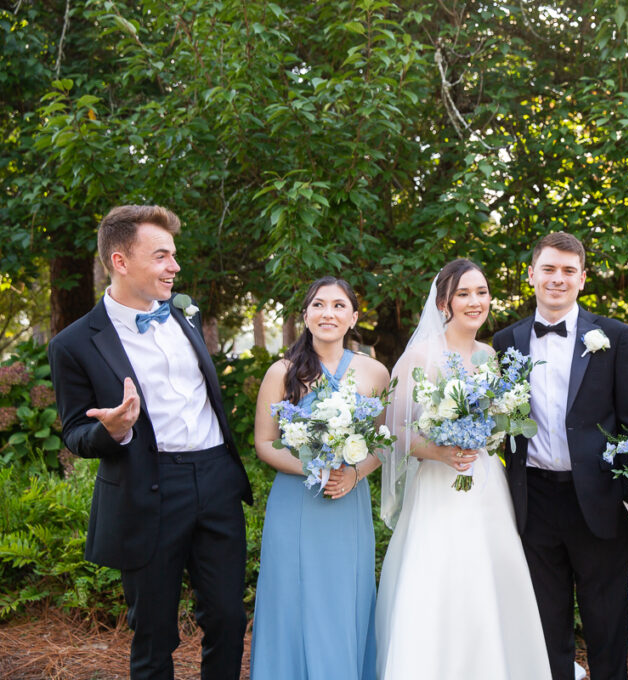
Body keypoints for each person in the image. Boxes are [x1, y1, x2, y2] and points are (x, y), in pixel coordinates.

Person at [47, 205, 252, 680]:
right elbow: (76, 432)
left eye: (174, 256)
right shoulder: (73, 344)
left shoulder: (186, 315)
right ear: (120, 262)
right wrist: (113, 430)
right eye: (161, 257)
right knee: (154, 633)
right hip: (148, 491)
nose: (174, 267)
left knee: (227, 617)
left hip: (217, 480)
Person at [375, 259, 551, 680]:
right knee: (443, 577)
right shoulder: (418, 357)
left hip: (488, 486)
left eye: (482, 292)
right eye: (464, 294)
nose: (476, 301)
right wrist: (437, 452)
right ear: (443, 304)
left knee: (491, 577)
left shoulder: (490, 356)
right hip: (439, 488)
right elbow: (389, 430)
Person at [493, 233, 628, 680]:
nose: (557, 279)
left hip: (600, 500)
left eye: (567, 271)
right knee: (545, 622)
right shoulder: (506, 342)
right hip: (534, 498)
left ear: (582, 278)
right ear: (532, 275)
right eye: (548, 269)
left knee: (607, 622)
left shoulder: (614, 337)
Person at [250, 277, 389, 679]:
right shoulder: (282, 371)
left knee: (343, 598)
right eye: (319, 305)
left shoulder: (376, 373)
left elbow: (384, 442)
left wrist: (354, 473)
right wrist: (315, 467)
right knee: (291, 598)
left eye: (339, 306)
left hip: (347, 500)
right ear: (306, 315)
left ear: (354, 317)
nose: (328, 313)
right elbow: (264, 443)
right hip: (296, 500)